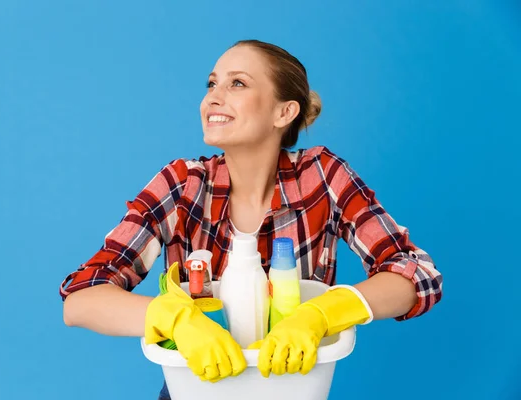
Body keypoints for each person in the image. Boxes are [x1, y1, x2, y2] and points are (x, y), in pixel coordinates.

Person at [59, 39, 443, 399]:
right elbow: (81, 300)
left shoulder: (321, 177)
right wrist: (172, 318)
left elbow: (417, 274)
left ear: (284, 112)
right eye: (211, 83)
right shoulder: (182, 185)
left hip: (293, 389)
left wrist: (324, 311)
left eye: (237, 83)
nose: (213, 97)